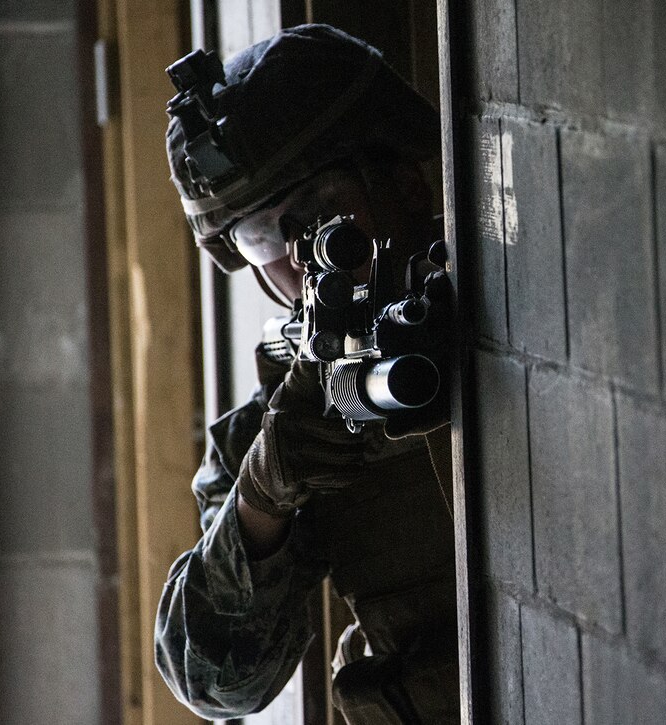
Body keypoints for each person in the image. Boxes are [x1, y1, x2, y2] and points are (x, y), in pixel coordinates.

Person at [154, 24, 459, 723]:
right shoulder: (278, 429)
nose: (300, 261)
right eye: (263, 240)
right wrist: (263, 503)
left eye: (323, 218)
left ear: (407, 183)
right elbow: (215, 681)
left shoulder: (529, 290)